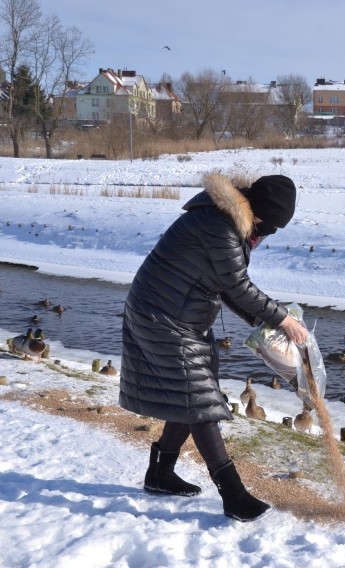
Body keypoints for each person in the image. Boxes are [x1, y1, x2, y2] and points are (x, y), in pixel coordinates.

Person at [119, 173, 307, 522]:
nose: (266, 234)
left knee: (192, 396)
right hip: (161, 315)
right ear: (258, 212)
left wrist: (269, 322)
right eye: (268, 226)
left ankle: (160, 473)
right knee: (199, 399)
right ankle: (233, 494)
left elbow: (224, 287)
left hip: (181, 315)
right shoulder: (218, 226)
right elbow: (237, 286)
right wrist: (283, 319)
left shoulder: (224, 220)